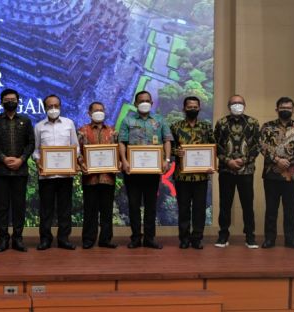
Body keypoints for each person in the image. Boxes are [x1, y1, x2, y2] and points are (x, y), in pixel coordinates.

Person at [118, 90, 172, 249]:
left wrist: (167, 159)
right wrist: (124, 160)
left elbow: (167, 140)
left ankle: (150, 238)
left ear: (152, 103)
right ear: (135, 103)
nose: (144, 102)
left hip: (152, 172)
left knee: (150, 205)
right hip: (132, 171)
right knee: (133, 206)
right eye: (141, 100)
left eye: (147, 100)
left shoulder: (159, 120)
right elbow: (122, 141)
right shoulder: (127, 120)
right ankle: (135, 238)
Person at [0, 88, 35, 252]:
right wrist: (3, 158)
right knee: (2, 206)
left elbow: (31, 143)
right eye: (6, 99)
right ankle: (3, 238)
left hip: (20, 170)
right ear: (1, 102)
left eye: (13, 99)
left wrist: (21, 159)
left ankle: (18, 239)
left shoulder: (26, 121)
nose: (10, 102)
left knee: (19, 206)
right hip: (1, 170)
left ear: (18, 101)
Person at [259, 97, 294, 250]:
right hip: (271, 174)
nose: (285, 110)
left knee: (290, 209)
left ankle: (291, 239)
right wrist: (276, 160)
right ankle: (269, 239)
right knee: (271, 209)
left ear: (293, 110)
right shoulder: (267, 127)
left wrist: (288, 161)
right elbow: (262, 146)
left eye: (288, 108)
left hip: (292, 173)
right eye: (282, 108)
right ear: (277, 109)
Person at [33, 94, 80, 250]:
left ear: (60, 106)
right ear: (45, 108)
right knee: (46, 209)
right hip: (46, 175)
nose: (53, 109)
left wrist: (73, 160)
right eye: (50, 106)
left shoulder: (69, 124)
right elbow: (35, 151)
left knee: (65, 208)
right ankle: (45, 239)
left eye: (56, 106)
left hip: (65, 174)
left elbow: (76, 147)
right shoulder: (39, 126)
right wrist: (38, 161)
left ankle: (64, 239)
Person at [214, 95, 260, 249]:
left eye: (239, 103)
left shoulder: (253, 123)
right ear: (229, 106)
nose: (237, 105)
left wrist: (244, 160)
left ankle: (250, 236)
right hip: (226, 170)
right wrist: (228, 160)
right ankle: (223, 235)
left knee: (247, 204)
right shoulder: (221, 123)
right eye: (234, 103)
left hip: (246, 171)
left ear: (244, 105)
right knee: (225, 204)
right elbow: (216, 145)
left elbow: (256, 146)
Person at [170, 96, 215, 250]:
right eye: (190, 107)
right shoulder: (175, 127)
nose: (193, 109)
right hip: (182, 175)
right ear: (184, 108)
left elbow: (213, 148)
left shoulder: (206, 127)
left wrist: (211, 165)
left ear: (199, 108)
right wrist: (176, 152)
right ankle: (184, 238)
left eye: (195, 107)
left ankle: (197, 238)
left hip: (201, 175)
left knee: (199, 208)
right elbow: (169, 149)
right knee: (183, 208)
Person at [77, 102, 118, 249]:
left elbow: (118, 152)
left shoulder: (113, 131)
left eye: (101, 110)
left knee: (107, 210)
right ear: (89, 113)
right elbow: (77, 153)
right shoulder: (82, 131)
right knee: (90, 210)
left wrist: (117, 163)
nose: (99, 112)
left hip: (108, 177)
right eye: (96, 110)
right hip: (90, 178)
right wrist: (82, 165)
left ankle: (105, 239)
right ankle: (88, 239)